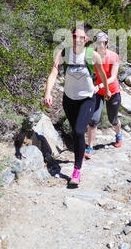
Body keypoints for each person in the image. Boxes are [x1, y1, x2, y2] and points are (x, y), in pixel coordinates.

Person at [44, 23, 111, 186]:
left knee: (80, 130)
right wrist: (48, 92)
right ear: (71, 37)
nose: (78, 40)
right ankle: (79, 156)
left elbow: (101, 74)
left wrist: (107, 90)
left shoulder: (92, 55)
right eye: (75, 36)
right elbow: (54, 72)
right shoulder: (64, 53)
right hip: (69, 100)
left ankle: (77, 170)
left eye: (81, 37)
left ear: (87, 39)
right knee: (75, 132)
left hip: (87, 99)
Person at [85, 31, 122, 159]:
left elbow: (113, 77)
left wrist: (102, 86)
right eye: (98, 43)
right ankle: (89, 147)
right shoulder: (92, 56)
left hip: (112, 91)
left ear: (107, 43)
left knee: (113, 119)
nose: (101, 45)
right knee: (94, 120)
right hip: (97, 91)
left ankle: (118, 134)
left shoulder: (113, 56)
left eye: (103, 43)